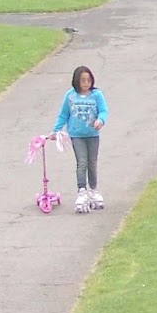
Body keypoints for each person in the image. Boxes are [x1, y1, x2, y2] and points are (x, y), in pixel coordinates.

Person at [52, 65, 107, 213]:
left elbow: (103, 111)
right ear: (77, 81)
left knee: (92, 163)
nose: (86, 83)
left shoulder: (96, 95)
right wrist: (55, 131)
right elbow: (63, 114)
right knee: (82, 163)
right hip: (77, 135)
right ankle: (82, 190)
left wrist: (100, 120)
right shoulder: (70, 96)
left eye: (88, 80)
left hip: (92, 135)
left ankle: (93, 190)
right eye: (83, 80)